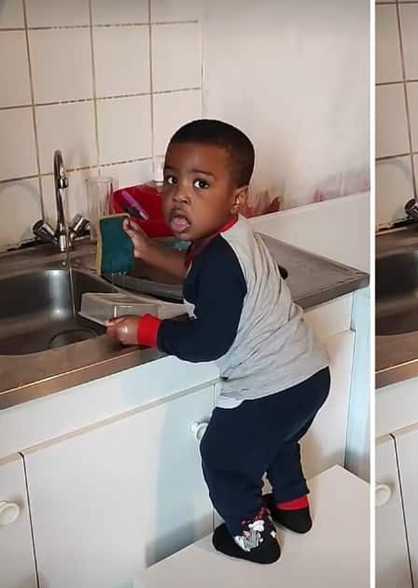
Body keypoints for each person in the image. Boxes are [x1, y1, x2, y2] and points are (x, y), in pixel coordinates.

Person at [106, 119, 330, 565]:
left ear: (237, 197)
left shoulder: (219, 262)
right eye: (171, 179)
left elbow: (207, 342)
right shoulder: (230, 235)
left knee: (224, 459)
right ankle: (293, 507)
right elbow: (197, 278)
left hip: (268, 387)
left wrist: (145, 330)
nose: (179, 195)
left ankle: (255, 539)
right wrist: (149, 251)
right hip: (309, 375)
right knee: (279, 444)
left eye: (200, 183)